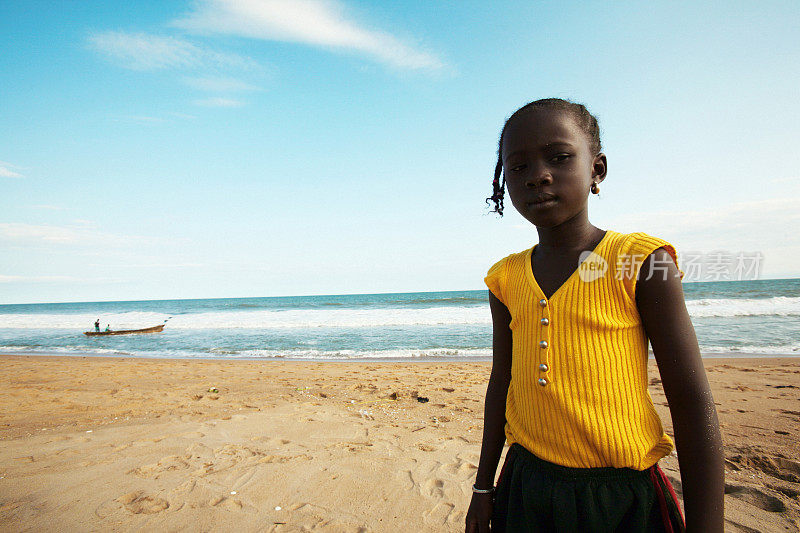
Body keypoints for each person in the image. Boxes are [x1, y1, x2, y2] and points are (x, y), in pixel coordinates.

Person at [465, 98, 723, 532]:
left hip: (620, 498)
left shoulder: (642, 260)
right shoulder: (505, 277)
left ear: (597, 169)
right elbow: (501, 383)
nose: (539, 176)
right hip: (526, 488)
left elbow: (693, 404)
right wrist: (482, 489)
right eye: (518, 166)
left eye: (559, 157)